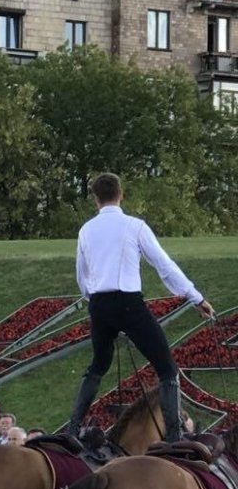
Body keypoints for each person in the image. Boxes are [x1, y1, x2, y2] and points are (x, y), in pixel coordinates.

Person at [67, 173, 214, 442]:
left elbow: (82, 275)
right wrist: (196, 297)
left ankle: (72, 429)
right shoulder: (134, 226)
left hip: (99, 304)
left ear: (95, 199)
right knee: (167, 369)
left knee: (98, 365)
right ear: (120, 194)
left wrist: (96, 303)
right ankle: (173, 437)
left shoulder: (86, 230)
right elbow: (164, 266)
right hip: (128, 303)